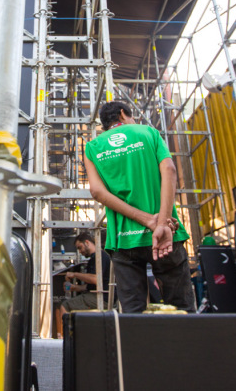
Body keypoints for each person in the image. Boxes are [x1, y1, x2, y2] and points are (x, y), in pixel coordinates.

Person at [83, 101, 195, 313]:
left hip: (124, 239)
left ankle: (138, 346)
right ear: (124, 114)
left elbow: (97, 192)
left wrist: (146, 220)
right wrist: (160, 222)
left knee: (133, 311)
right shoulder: (148, 132)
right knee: (181, 307)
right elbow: (169, 170)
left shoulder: (93, 147)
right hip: (167, 233)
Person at [55, 232, 111, 337]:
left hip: (103, 298)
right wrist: (74, 287)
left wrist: (74, 274)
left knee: (64, 306)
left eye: (80, 248)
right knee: (61, 306)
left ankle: (63, 339)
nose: (80, 252)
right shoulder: (95, 258)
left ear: (87, 242)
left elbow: (95, 279)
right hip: (98, 295)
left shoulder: (100, 257)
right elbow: (92, 286)